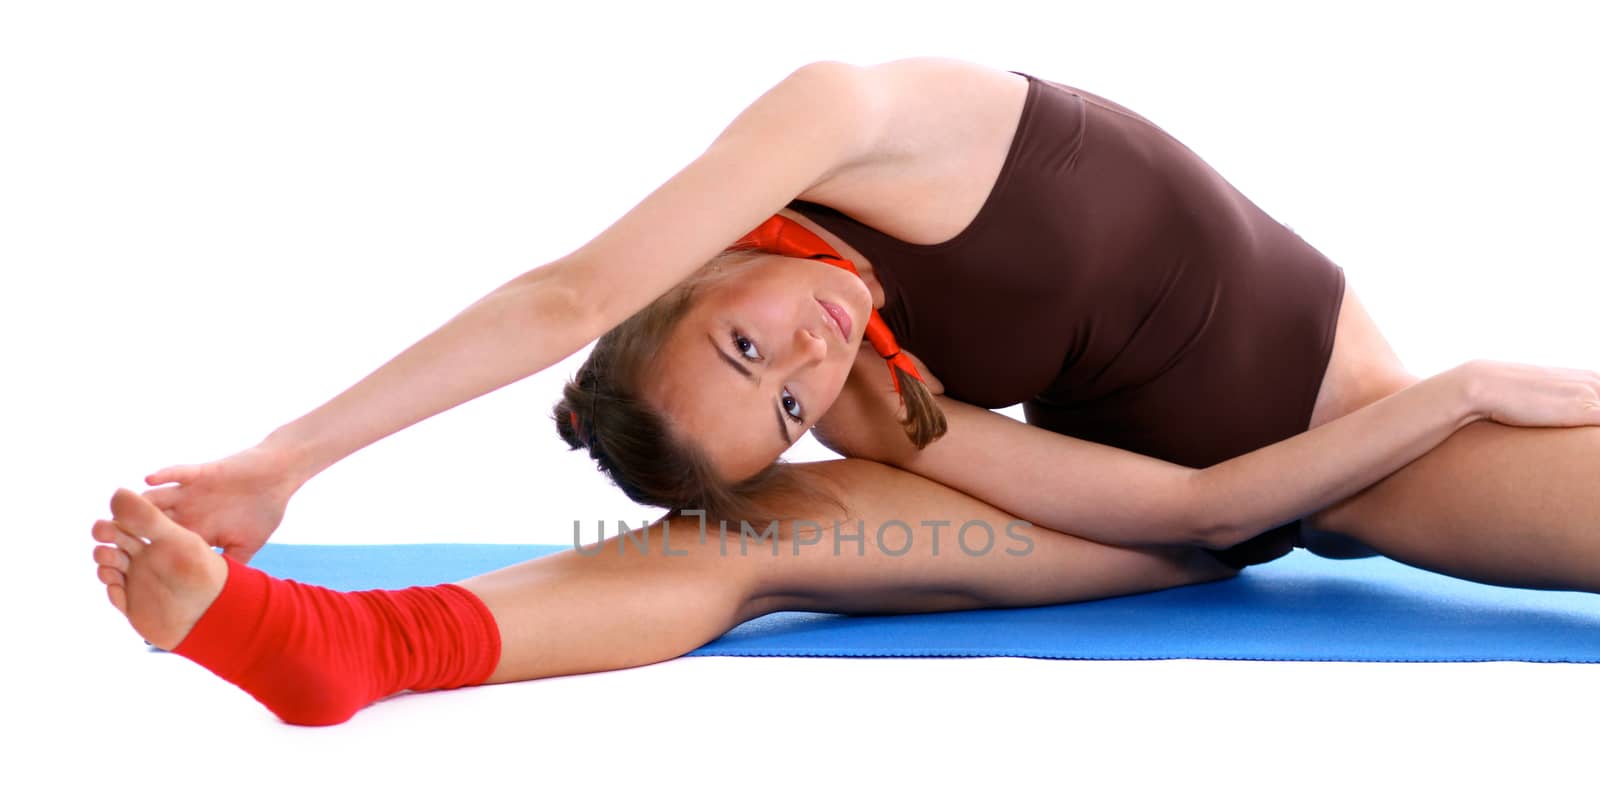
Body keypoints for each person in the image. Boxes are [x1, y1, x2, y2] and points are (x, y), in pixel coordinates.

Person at [92, 58, 1600, 727]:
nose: (807, 361)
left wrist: (288, 458)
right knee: (762, 539)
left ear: (693, 271)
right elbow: (1201, 513)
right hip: (1214, 504)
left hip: (1360, 451)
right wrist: (1464, 387)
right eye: (785, 406)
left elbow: (566, 296)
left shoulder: (851, 122)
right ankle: (360, 647)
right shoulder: (877, 395)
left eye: (752, 351)